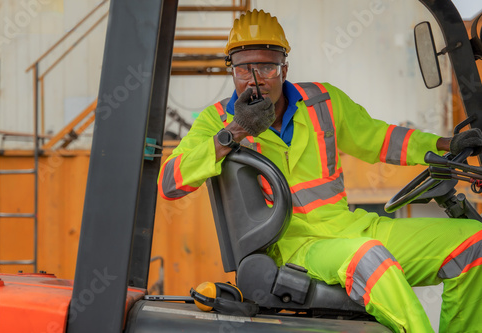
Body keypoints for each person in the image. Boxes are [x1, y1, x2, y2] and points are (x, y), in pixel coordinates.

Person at [158, 9, 482, 333]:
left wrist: (445, 144)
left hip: (353, 229)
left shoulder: (323, 102)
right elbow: (171, 183)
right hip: (297, 248)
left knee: (474, 242)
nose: (255, 79)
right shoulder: (216, 123)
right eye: (244, 68)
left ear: (284, 67)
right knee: (370, 258)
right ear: (231, 71)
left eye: (267, 66)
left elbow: (379, 137)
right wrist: (236, 131)